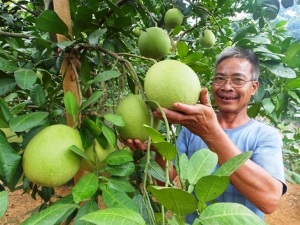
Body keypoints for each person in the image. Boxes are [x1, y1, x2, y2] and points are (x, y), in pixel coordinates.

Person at [124, 46, 287, 223]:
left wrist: (211, 133)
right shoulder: (191, 129)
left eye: (238, 80)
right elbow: (165, 182)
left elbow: (269, 200)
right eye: (220, 79)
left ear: (254, 87)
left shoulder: (265, 135)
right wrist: (156, 149)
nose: (226, 87)